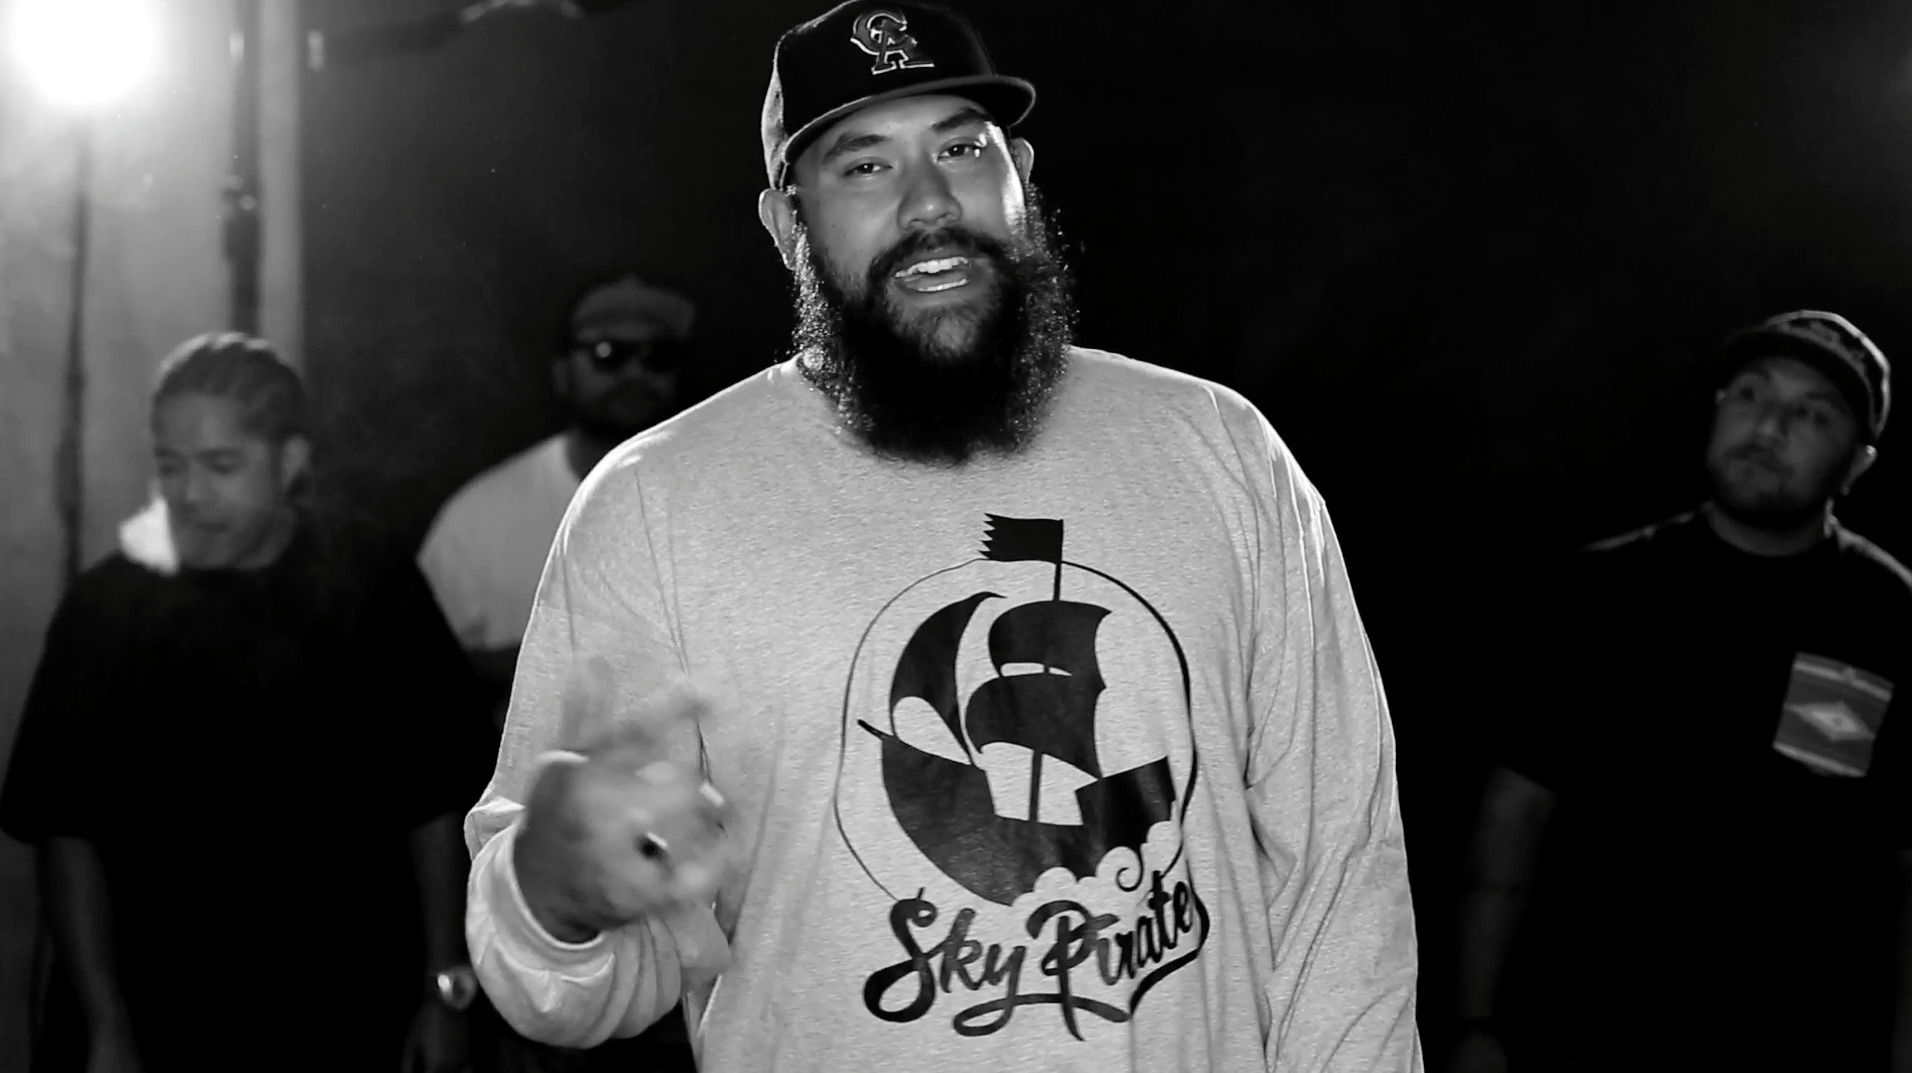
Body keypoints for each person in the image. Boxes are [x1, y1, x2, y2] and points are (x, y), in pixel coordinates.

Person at [463, 3, 1421, 1069]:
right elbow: (574, 982)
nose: (929, 202)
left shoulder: (1220, 450)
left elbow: (1342, 880)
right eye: (865, 166)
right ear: (785, 222)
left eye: (962, 150)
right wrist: (554, 894)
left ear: (1021, 175)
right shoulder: (654, 504)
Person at [0, 333, 493, 1072]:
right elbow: (67, 831)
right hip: (157, 1014)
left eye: (221, 466)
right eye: (171, 465)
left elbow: (434, 799)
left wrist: (443, 992)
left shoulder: (370, 580)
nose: (190, 495)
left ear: (289, 462)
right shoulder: (107, 608)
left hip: (345, 1008)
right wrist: (106, 1024)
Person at [1448, 310, 1912, 1073]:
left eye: (1813, 413)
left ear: (1857, 463)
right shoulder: (1601, 590)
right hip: (1584, 1029)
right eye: (1752, 394)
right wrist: (1473, 1023)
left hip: (1804, 1045)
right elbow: (1513, 810)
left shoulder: (1888, 613)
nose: (1769, 427)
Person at [418, 273, 695, 727]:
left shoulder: (713, 506)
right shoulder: (480, 517)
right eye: (607, 354)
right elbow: (414, 672)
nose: (634, 374)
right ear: (562, 373)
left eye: (657, 357)